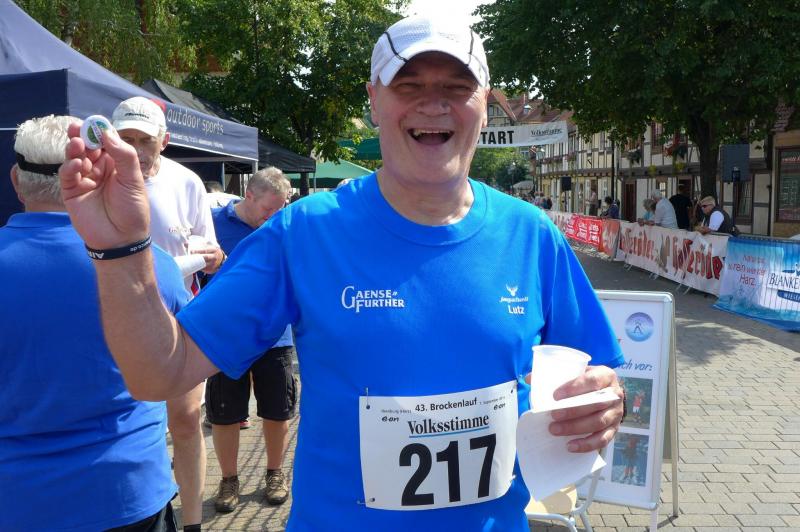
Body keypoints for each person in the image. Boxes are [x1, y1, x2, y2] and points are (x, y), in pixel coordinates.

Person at [59, 15, 625, 530]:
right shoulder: (304, 233)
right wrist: (121, 248)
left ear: (483, 102)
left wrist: (606, 401)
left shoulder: (532, 235)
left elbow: (598, 374)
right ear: (374, 100)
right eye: (409, 86)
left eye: (457, 87)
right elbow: (158, 374)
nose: (434, 105)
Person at [0, 115, 189, 531]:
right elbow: (186, 404)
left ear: (16, 179)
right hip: (127, 491)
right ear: (98, 174)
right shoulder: (151, 266)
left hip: (17, 502)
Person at [112, 96, 225, 531]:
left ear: (165, 140)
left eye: (145, 140)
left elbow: (212, 255)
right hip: (117, 319)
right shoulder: (97, 180)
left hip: (180, 320)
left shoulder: (186, 182)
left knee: (186, 420)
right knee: (133, 424)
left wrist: (213, 258)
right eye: (127, 138)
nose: (136, 149)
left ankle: (192, 521)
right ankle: (142, 508)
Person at [207, 167, 298, 512]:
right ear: (249, 195)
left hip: (275, 335)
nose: (273, 215)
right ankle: (228, 479)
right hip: (226, 336)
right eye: (268, 208)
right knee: (225, 413)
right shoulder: (212, 222)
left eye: (280, 208)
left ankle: (275, 473)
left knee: (278, 409)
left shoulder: (285, 226)